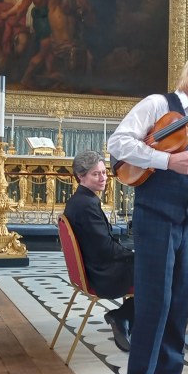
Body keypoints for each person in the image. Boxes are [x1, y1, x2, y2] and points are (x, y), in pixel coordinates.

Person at [107, 47, 188, 374]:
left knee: (178, 306)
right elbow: (118, 144)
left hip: (187, 220)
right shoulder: (158, 104)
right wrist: (166, 160)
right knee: (153, 304)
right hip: (155, 217)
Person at [63, 150, 135, 352]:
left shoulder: (81, 201)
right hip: (103, 275)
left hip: (96, 267)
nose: (103, 178)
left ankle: (133, 320)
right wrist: (134, 254)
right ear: (81, 176)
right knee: (158, 272)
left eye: (104, 172)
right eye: (96, 174)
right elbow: (105, 248)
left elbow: (103, 244)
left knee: (151, 268)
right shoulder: (86, 205)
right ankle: (122, 317)